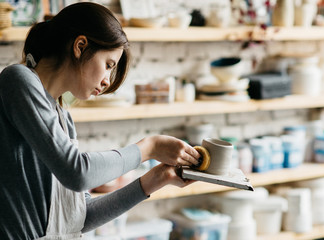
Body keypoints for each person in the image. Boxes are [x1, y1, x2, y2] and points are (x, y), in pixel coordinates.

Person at [0, 2, 201, 239]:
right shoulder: (19, 80)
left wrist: (156, 179)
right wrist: (149, 148)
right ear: (80, 46)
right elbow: (78, 172)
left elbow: (80, 217)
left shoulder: (62, 116)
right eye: (108, 65)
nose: (106, 81)